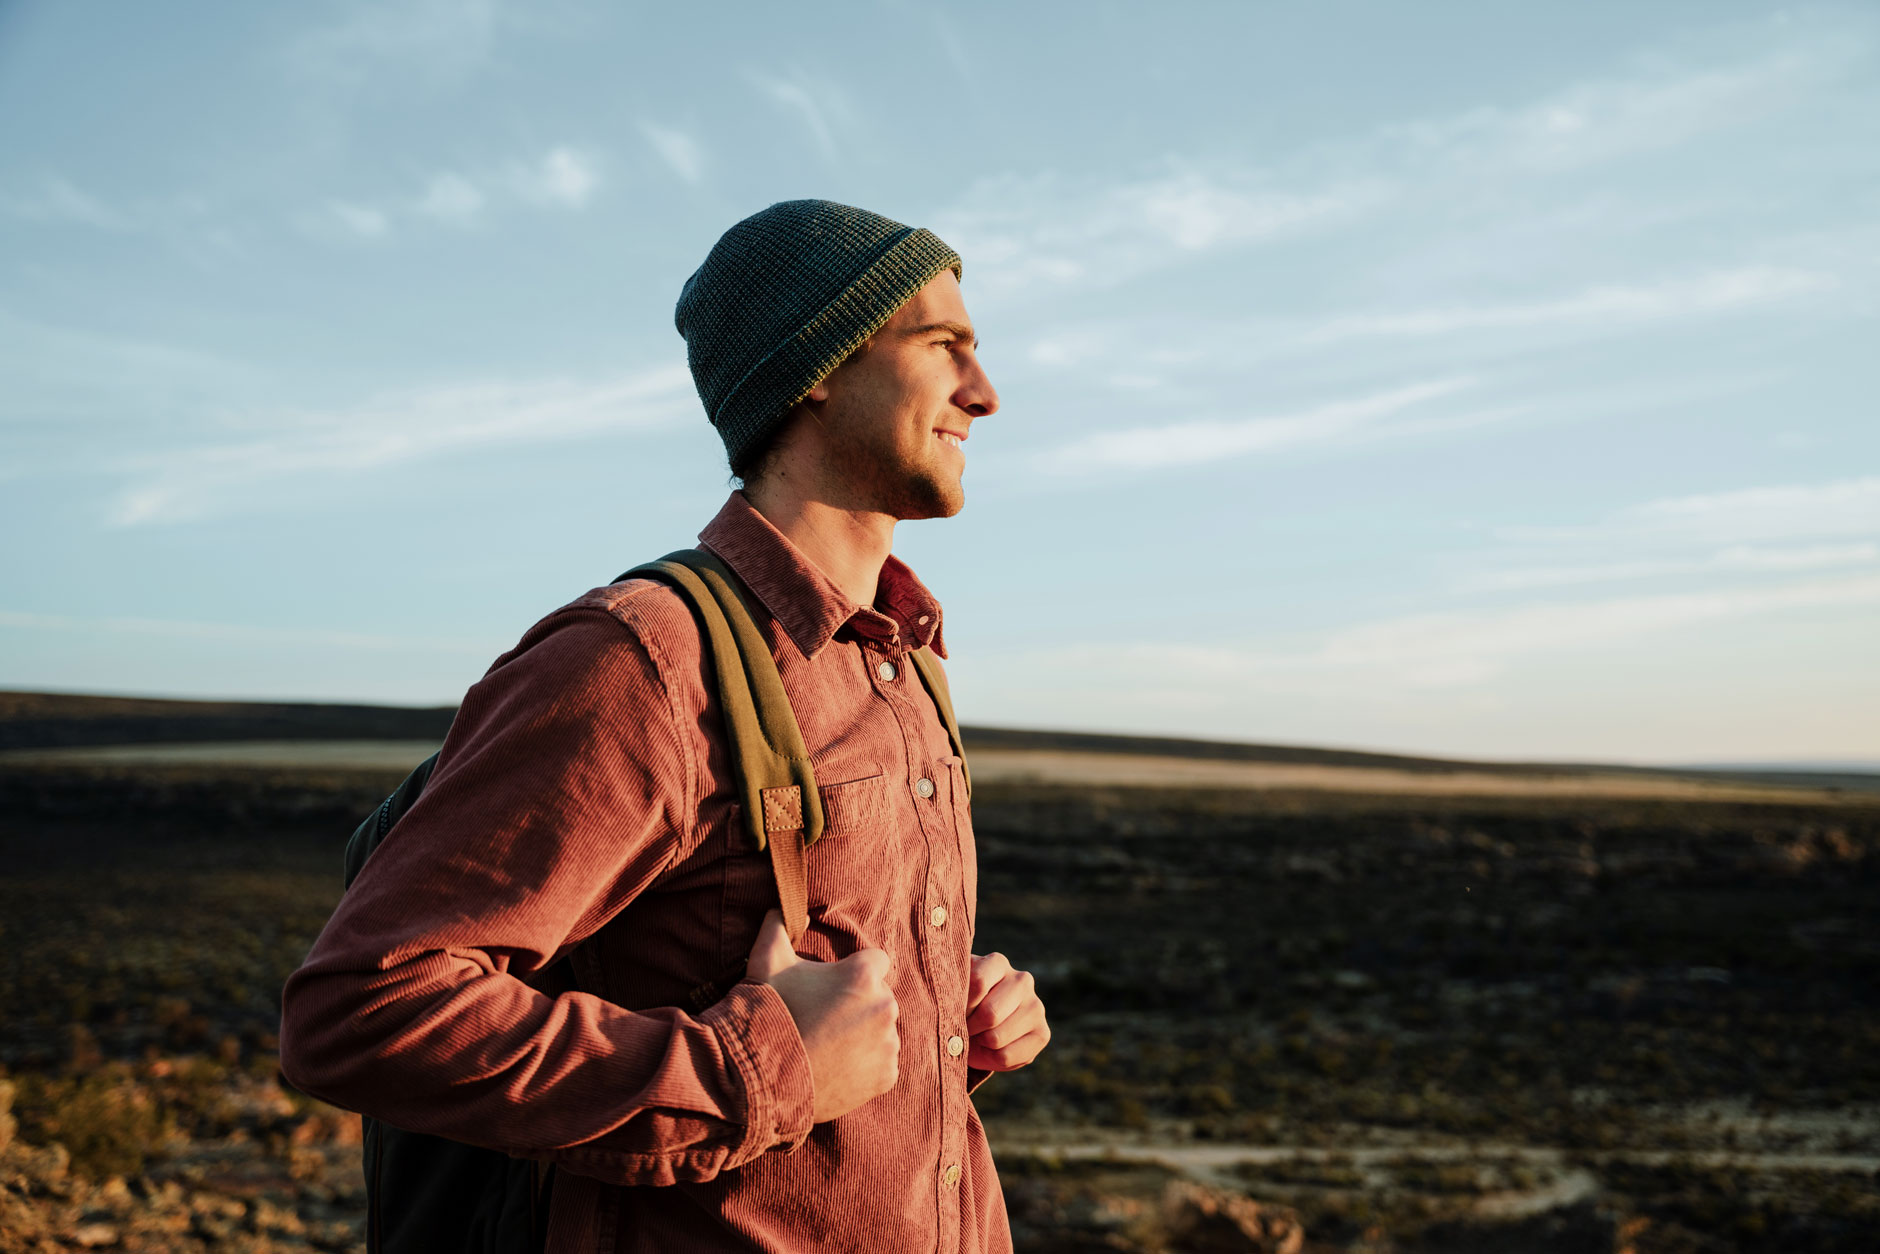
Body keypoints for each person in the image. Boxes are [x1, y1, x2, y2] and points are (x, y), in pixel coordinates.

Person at [279, 199, 1050, 1253]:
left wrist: (948, 1027)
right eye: (943, 345)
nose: (986, 393)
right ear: (817, 366)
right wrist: (764, 1068)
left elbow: (827, 1032)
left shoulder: (906, 667)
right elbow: (359, 1013)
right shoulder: (640, 659)